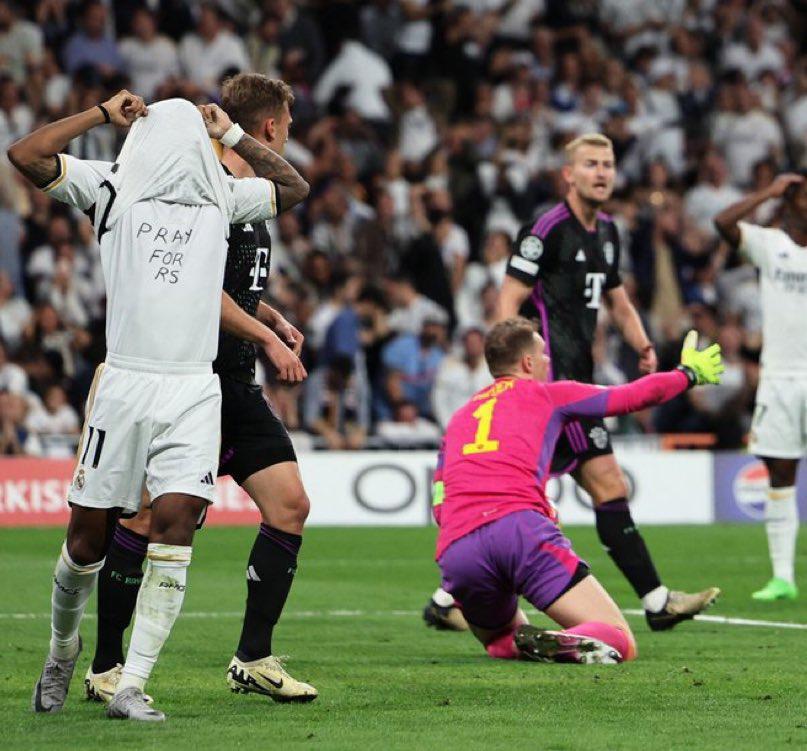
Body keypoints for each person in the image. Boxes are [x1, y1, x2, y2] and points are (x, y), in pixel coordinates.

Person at [8, 89, 303, 721]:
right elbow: (24, 154)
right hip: (125, 383)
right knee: (88, 538)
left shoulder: (220, 197)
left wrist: (235, 134)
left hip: (196, 387)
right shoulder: (113, 186)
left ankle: (132, 683)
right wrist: (97, 116)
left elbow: (294, 186)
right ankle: (65, 650)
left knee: (175, 527)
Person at [83, 74, 317, 707]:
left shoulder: (244, 192)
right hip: (191, 381)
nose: (288, 135)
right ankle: (105, 665)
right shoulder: (200, 184)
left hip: (234, 385)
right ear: (270, 127)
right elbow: (196, 291)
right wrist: (266, 339)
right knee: (144, 519)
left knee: (289, 505)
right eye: (287, 126)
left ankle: (253, 657)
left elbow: (228, 285)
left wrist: (267, 317)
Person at [428, 133, 719, 633]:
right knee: (604, 482)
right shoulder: (546, 229)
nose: (602, 172)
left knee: (569, 484)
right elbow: (508, 301)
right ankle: (655, 601)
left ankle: (448, 596)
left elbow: (618, 299)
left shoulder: (607, 231)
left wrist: (642, 342)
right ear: (569, 174)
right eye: (591, 164)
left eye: (608, 163)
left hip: (575, 381)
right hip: (550, 387)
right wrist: (510, 375)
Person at [433, 317, 723, 663]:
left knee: (501, 641)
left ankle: (539, 641)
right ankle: (569, 638)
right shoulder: (548, 395)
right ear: (527, 363)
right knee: (620, 640)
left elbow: (439, 500)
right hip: (519, 532)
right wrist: (687, 375)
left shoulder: (460, 418)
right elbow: (630, 396)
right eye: (543, 356)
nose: (547, 362)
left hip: (458, 549)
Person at [714, 171, 807, 602]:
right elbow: (722, 224)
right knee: (781, 472)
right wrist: (767, 192)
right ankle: (783, 577)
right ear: (790, 202)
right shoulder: (771, 246)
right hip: (781, 379)